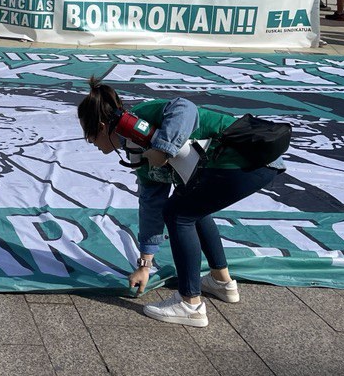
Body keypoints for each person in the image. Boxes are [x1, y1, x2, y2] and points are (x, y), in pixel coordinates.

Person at [77, 78, 282, 327]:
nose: (93, 146)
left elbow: (185, 108)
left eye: (90, 138)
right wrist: (145, 265)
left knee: (178, 214)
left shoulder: (141, 116)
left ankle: (190, 304)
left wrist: (163, 148)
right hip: (253, 166)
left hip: (246, 160)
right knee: (191, 208)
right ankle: (222, 282)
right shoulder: (134, 144)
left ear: (100, 127)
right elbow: (151, 203)